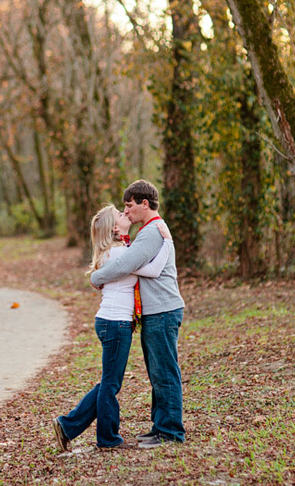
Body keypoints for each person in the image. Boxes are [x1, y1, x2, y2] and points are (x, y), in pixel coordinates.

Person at [53, 204, 172, 452]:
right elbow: (153, 269)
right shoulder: (119, 255)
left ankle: (68, 426)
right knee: (110, 384)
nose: (125, 213)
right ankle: (107, 438)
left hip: (111, 321)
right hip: (115, 323)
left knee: (108, 382)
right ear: (114, 227)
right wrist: (168, 243)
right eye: (120, 213)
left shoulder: (116, 251)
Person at [89, 180, 185, 449]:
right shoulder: (148, 232)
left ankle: (170, 431)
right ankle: (161, 426)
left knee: (164, 371)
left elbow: (127, 264)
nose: (127, 211)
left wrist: (96, 276)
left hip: (163, 310)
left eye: (129, 206)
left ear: (145, 204)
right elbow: (132, 265)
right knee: (157, 372)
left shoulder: (153, 232)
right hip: (156, 311)